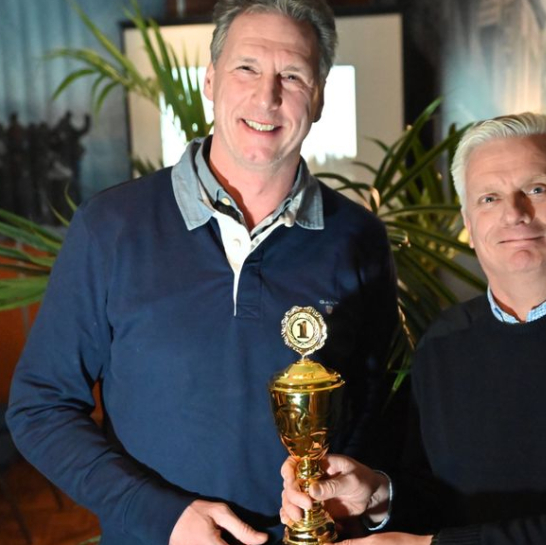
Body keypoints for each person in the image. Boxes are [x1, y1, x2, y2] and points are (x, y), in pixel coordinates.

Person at [6, 1, 398, 544]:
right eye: (247, 68)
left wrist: (362, 493)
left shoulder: (358, 238)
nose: (267, 96)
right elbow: (40, 406)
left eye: (292, 75)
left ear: (320, 96)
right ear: (210, 81)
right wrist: (162, 515)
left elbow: (382, 406)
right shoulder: (111, 226)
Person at [280, 113, 546, 544]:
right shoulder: (443, 342)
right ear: (469, 226)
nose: (515, 213)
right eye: (489, 198)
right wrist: (378, 496)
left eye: (537, 189)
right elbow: (437, 497)